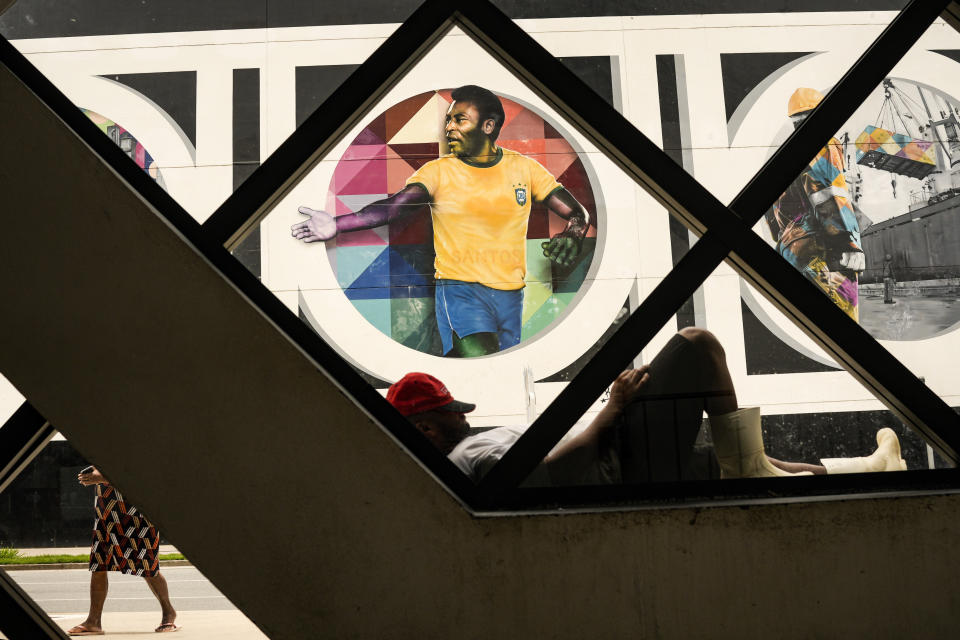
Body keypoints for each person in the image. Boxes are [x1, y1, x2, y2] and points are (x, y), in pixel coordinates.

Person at [292, 84, 590, 357]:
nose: (449, 128)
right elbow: (393, 208)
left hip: (512, 296)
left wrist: (573, 234)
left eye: (460, 120)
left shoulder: (525, 169)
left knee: (499, 369)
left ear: (488, 126)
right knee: (481, 359)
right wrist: (337, 224)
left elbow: (577, 214)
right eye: (448, 120)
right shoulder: (437, 172)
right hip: (460, 292)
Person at [386, 328, 907, 484]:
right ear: (428, 428)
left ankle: (864, 468)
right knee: (695, 345)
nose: (464, 415)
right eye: (452, 412)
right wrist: (613, 409)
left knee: (738, 467)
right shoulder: (467, 460)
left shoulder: (469, 449)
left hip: (623, 460)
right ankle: (751, 465)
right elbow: (561, 470)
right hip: (625, 470)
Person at [765, 87, 865, 322]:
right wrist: (848, 245)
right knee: (843, 329)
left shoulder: (784, 155)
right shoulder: (822, 141)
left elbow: (773, 219)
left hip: (790, 250)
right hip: (822, 248)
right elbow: (830, 193)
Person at [67, 467, 179, 635]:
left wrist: (103, 476)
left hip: (137, 511)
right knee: (99, 564)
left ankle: (168, 612)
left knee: (147, 566)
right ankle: (93, 621)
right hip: (107, 508)